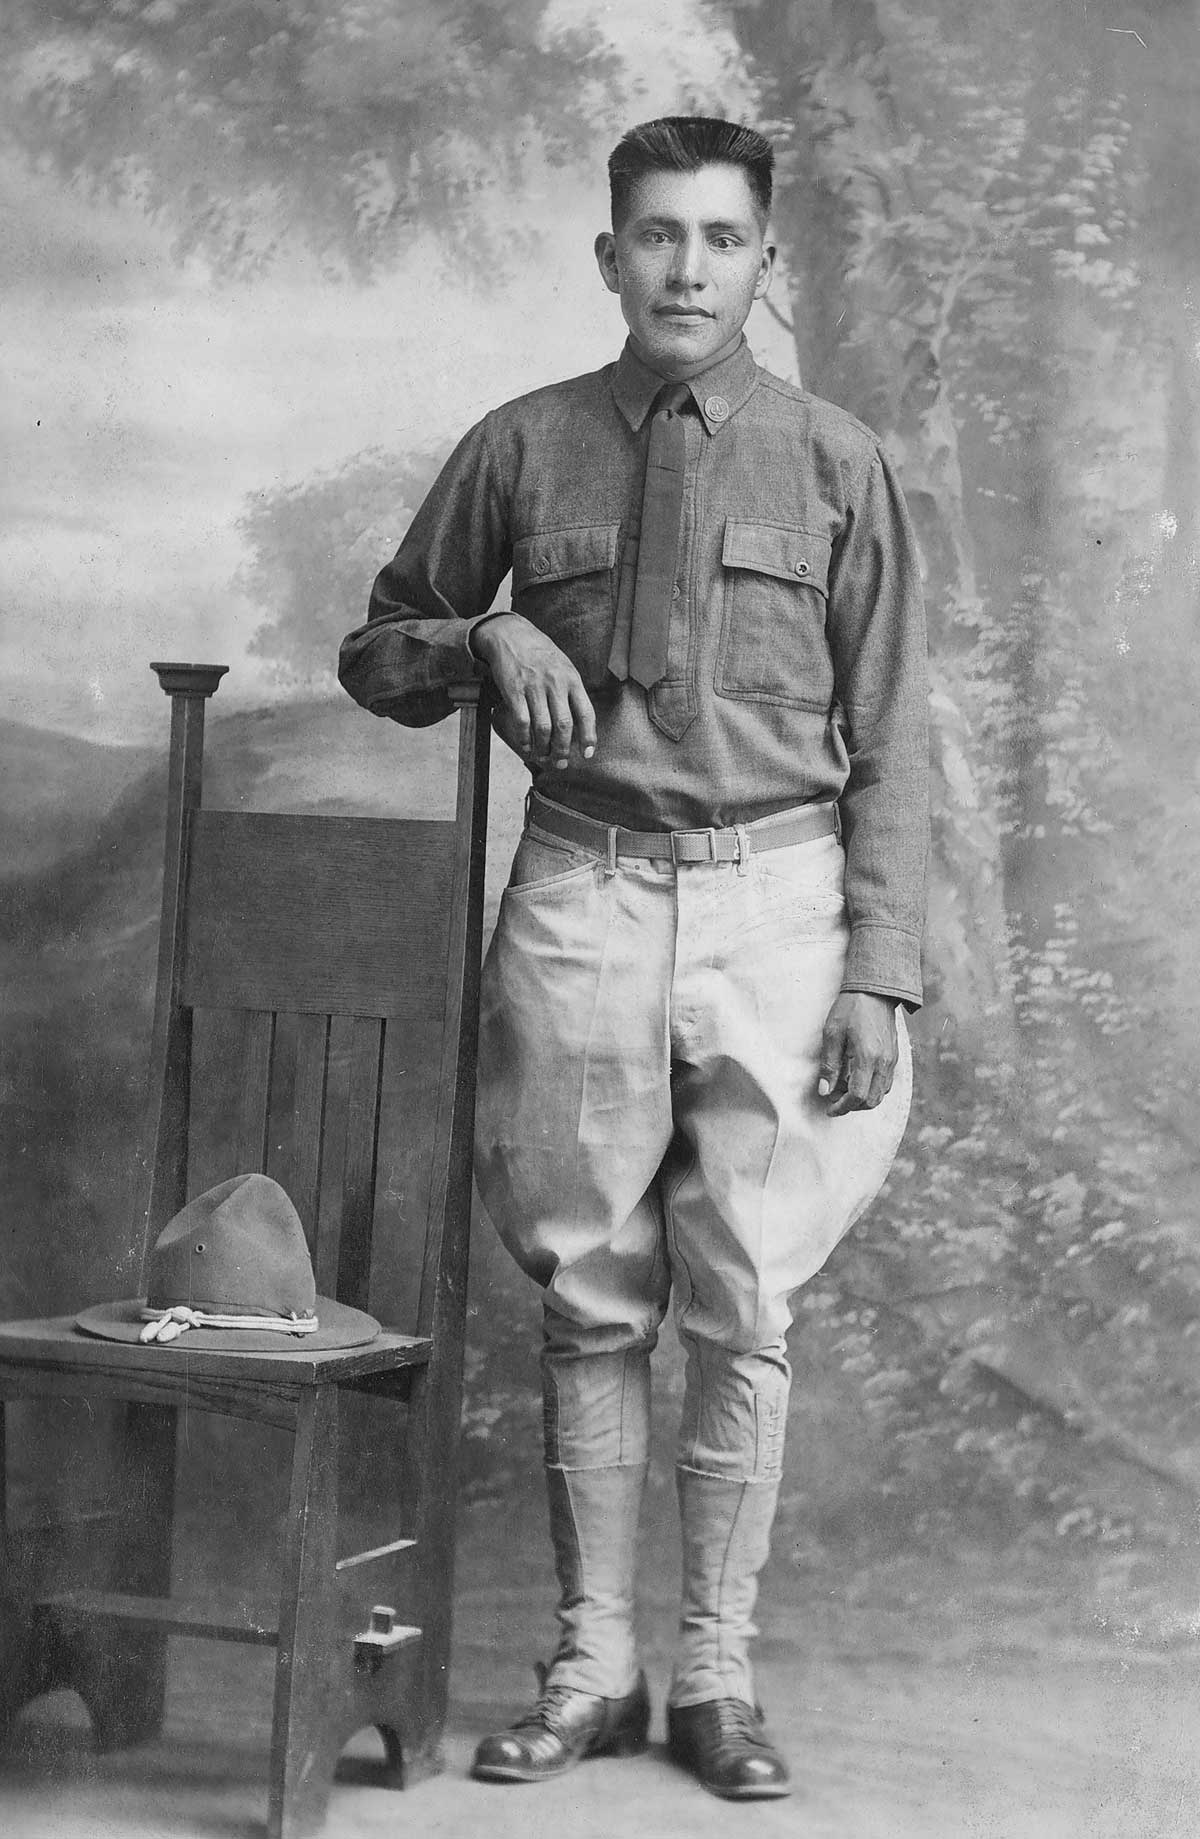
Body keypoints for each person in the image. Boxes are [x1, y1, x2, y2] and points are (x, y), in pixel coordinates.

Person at [339, 115, 928, 1802]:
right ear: (609, 257)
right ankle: (592, 1664)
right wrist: (483, 629)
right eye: (655, 236)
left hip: (782, 913)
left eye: (721, 239)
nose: (687, 267)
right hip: (585, 900)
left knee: (743, 1307)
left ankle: (715, 1680)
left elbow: (893, 743)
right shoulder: (521, 447)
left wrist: (881, 968)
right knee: (592, 1300)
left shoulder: (839, 463)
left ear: (763, 261)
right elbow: (378, 648)